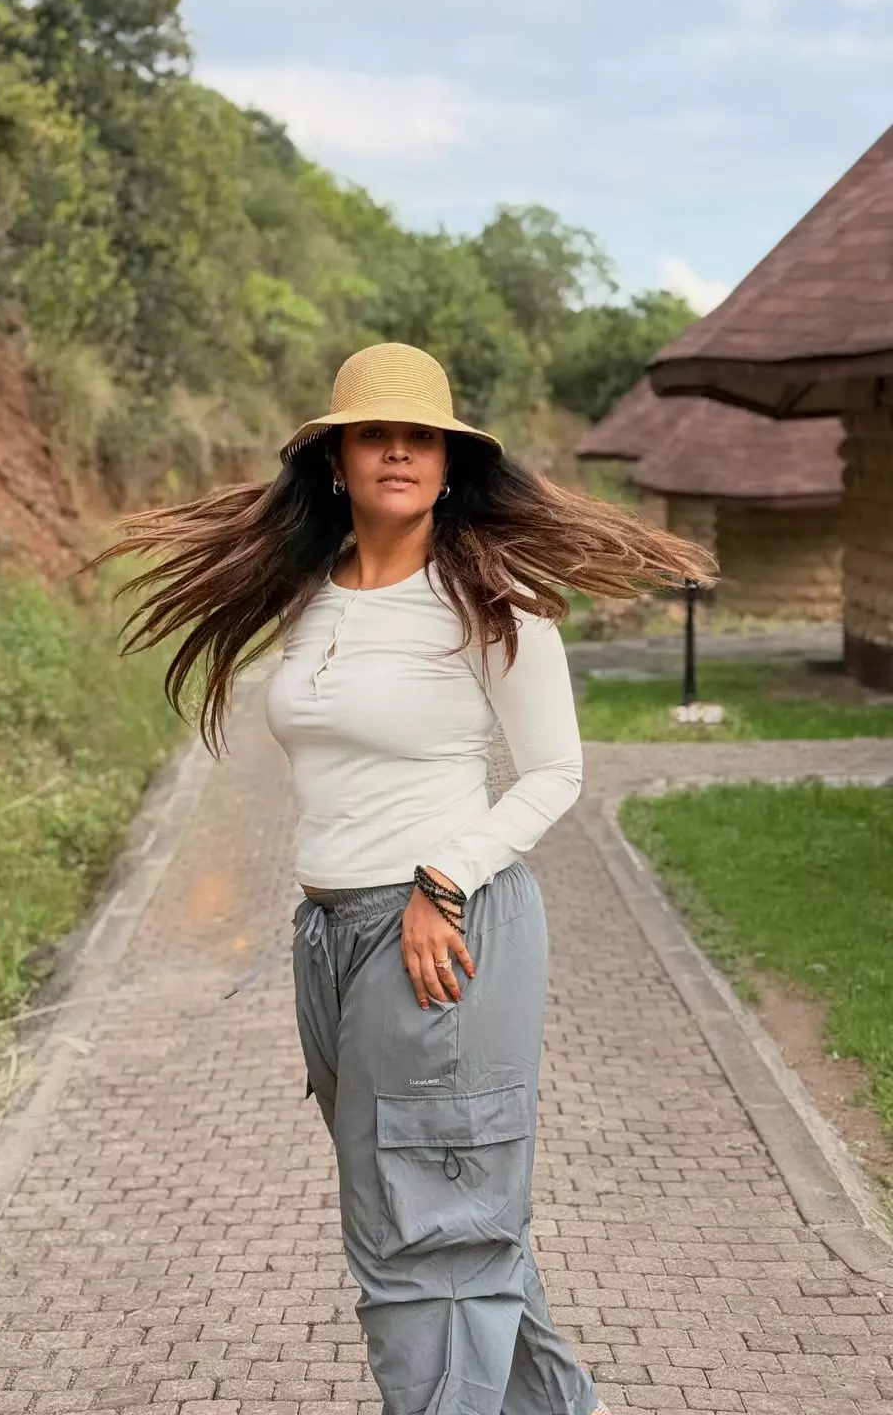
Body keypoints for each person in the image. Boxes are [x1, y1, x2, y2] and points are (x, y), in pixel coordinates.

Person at [100, 343, 715, 1415]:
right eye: (374, 434)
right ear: (336, 462)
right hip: (333, 937)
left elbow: (556, 774)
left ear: (448, 462)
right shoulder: (308, 597)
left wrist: (445, 880)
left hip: (440, 931)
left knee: (423, 1239)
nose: (397, 450)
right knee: (447, 1220)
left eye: (420, 435)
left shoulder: (492, 603)